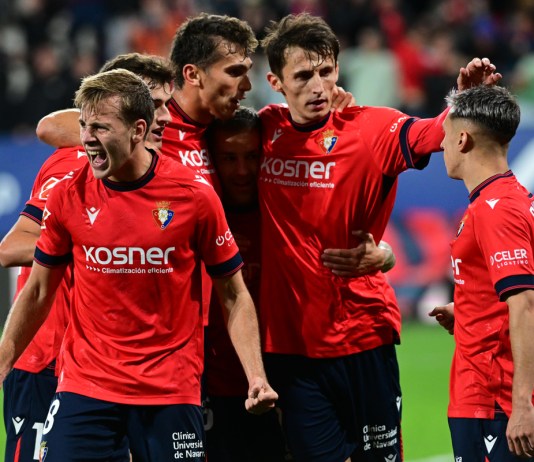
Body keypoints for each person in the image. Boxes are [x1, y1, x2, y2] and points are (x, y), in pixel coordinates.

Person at [257, 12, 501, 462]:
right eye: (303, 75)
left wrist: (465, 100)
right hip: (292, 349)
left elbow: (434, 132)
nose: (318, 86)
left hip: (362, 335)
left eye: (326, 71)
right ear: (275, 80)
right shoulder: (261, 133)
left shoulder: (370, 129)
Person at [0, 69, 277, 462]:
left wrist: (256, 377)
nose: (87, 139)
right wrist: (3, 360)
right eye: (83, 125)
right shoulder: (67, 195)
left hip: (170, 390)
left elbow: (233, 294)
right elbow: (40, 290)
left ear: (138, 129)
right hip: (86, 387)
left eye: (100, 127)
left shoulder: (194, 197)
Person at [0, 53, 175, 462]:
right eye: (154, 103)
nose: (165, 117)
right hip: (47, 359)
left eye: (168, 104)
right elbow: (11, 248)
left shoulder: (172, 175)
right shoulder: (71, 164)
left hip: (122, 368)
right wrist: (92, 242)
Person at [428, 85, 534, 460]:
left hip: (493, 401)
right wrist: (470, 314)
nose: (440, 147)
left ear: (462, 138)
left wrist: (522, 404)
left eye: (443, 137)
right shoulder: (510, 198)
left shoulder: (496, 209)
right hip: (486, 396)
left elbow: (525, 303)